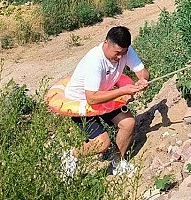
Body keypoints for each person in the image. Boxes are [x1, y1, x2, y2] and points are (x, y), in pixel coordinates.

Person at [64, 25, 150, 175]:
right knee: (102, 144)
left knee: (128, 123)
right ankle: (71, 155)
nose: (120, 57)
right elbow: (92, 98)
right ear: (106, 43)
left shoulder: (125, 51)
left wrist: (143, 79)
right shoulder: (95, 61)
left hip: (103, 93)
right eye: (117, 53)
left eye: (123, 53)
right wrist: (123, 91)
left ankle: (118, 162)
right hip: (81, 101)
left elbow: (142, 71)